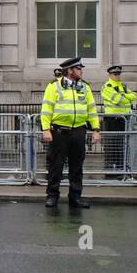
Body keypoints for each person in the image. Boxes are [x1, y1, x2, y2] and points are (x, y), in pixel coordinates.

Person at [40, 56, 101, 209]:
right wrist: (46, 129)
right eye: (79, 68)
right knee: (55, 166)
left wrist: (96, 129)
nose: (81, 71)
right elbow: (47, 109)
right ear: (70, 70)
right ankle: (52, 196)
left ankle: (75, 197)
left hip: (79, 132)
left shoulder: (85, 87)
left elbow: (91, 110)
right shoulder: (54, 86)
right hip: (59, 132)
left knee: (77, 167)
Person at [101, 65, 137, 173]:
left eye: (118, 74)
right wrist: (127, 97)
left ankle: (121, 168)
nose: (117, 76)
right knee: (112, 145)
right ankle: (110, 169)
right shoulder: (107, 86)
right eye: (115, 74)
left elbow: (134, 96)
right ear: (110, 75)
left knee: (123, 144)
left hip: (124, 119)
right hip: (112, 119)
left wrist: (126, 97)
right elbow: (119, 100)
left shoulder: (123, 86)